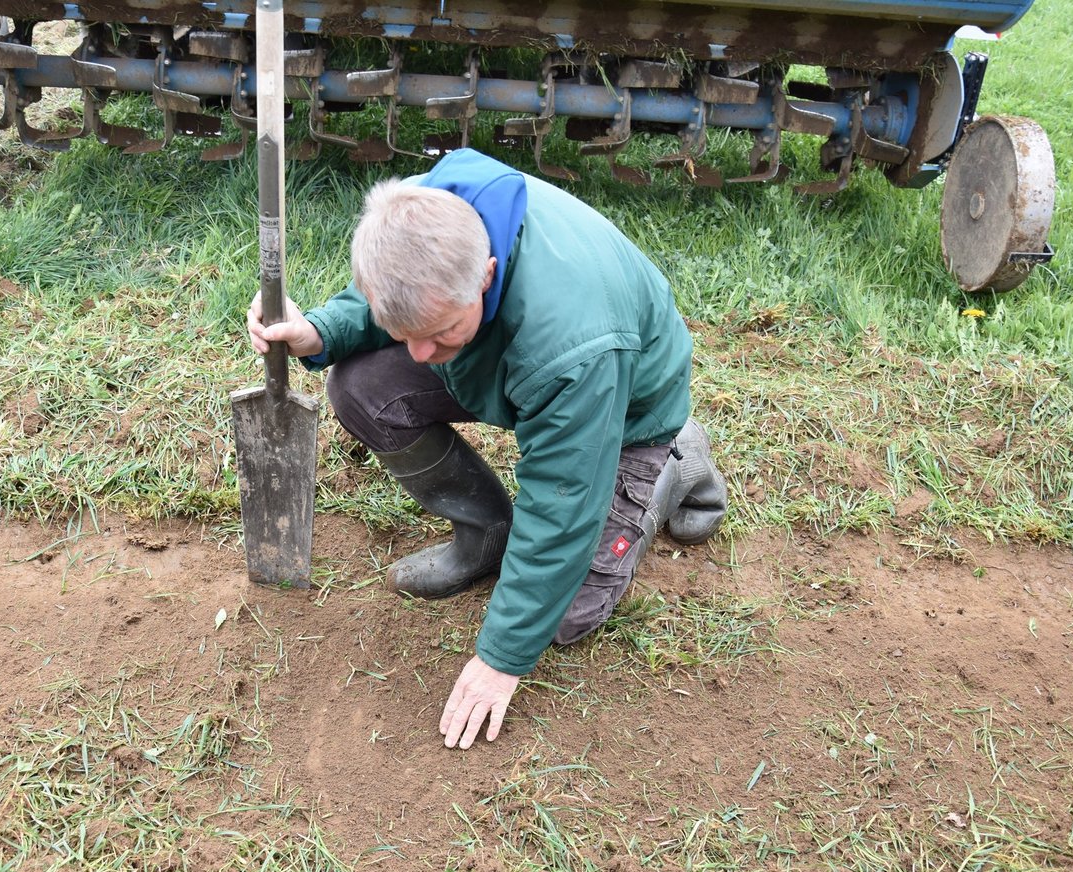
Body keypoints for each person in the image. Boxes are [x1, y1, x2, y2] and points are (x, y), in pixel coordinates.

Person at [247, 148, 727, 750]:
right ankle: (488, 533)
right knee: (363, 389)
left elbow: (561, 504)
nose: (417, 354)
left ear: (487, 274)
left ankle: (672, 460)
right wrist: (321, 330)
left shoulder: (572, 349)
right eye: (407, 336)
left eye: (439, 333)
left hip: (622, 407)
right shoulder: (423, 217)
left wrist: (501, 658)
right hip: (512, 357)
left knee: (566, 614)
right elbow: (397, 303)